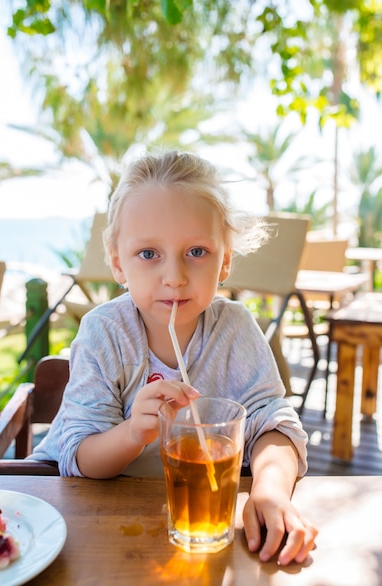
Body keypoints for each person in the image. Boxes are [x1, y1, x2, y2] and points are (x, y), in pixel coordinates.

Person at [31, 149, 318, 565]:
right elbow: (77, 456)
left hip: (206, 529)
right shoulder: (105, 332)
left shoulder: (234, 329)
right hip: (97, 525)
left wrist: (270, 491)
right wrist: (133, 433)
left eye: (197, 252)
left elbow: (274, 424)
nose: (175, 277)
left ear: (225, 261)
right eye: (148, 254)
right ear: (118, 263)